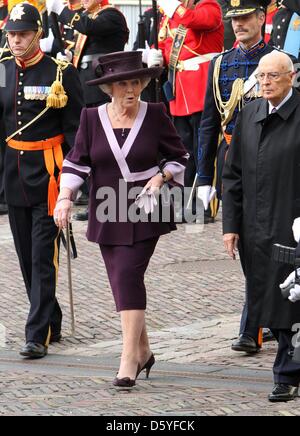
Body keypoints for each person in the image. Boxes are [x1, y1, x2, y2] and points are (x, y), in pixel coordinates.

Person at [54, 50, 188, 387]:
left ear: (143, 83)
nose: (130, 89)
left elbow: (179, 157)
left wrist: (161, 177)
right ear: (109, 88)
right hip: (106, 207)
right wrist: (65, 198)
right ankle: (143, 350)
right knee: (119, 279)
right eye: (122, 84)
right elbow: (76, 161)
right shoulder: (91, 117)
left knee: (128, 273)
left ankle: (128, 357)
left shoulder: (155, 114)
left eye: (136, 82)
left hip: (145, 209)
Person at [0, 3, 83, 358]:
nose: (16, 41)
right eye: (11, 35)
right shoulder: (2, 70)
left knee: (41, 257)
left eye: (22, 34)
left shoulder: (60, 72)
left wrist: (73, 181)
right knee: (24, 257)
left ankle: (36, 334)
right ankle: (51, 314)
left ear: (37, 34)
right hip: (14, 174)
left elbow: (76, 131)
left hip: (50, 175)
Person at [197, 0, 277, 354]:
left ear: (261, 17)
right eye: (234, 19)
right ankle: (265, 317)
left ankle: (253, 327)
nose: (239, 24)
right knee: (243, 243)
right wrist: (201, 175)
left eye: (245, 17)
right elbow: (208, 123)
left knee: (268, 245)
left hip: (271, 161)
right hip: (232, 161)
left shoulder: (278, 62)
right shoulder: (220, 65)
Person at [222, 51, 300, 402]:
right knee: (267, 297)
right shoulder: (250, 113)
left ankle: (286, 373)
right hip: (255, 228)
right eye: (261, 76)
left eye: (273, 76)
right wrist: (230, 225)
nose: (265, 82)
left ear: (291, 77)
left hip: (292, 225)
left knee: (290, 299)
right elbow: (233, 174)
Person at [46, 0, 129, 221]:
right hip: (86, 90)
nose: (82, 0)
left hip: (101, 91)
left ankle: (113, 202)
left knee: (106, 148)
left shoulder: (111, 15)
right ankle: (98, 201)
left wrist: (61, 11)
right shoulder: (92, 17)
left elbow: (88, 27)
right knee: (93, 149)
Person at [146, 0, 223, 223]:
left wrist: (174, 9)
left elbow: (198, 21)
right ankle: (185, 204)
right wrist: (154, 55)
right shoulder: (170, 16)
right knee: (183, 151)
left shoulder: (209, 5)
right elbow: (168, 46)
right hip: (179, 91)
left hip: (202, 87)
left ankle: (204, 205)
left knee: (205, 148)